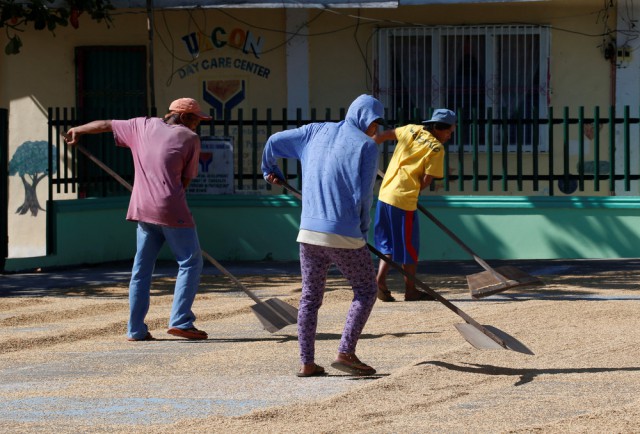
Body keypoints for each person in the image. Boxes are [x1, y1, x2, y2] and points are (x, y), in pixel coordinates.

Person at [64, 98, 211, 342]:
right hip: (171, 208)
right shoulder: (189, 138)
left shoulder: (141, 125)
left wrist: (77, 130)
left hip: (143, 208)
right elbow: (185, 181)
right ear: (183, 117)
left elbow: (105, 124)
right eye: (196, 119)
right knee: (190, 262)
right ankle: (181, 320)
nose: (197, 125)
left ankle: (135, 329)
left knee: (141, 269)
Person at [261, 94, 384, 377]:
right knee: (366, 291)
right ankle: (346, 352)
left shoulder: (315, 131)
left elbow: (273, 141)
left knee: (309, 298)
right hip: (345, 234)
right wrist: (362, 231)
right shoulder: (366, 145)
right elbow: (364, 195)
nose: (376, 129)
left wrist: (270, 169)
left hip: (308, 233)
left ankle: (307, 362)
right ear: (366, 119)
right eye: (375, 123)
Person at [374, 109, 457, 302]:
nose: (450, 136)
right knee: (409, 248)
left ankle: (380, 281)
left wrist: (370, 144)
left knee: (387, 244)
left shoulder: (411, 129)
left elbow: (385, 135)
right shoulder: (436, 148)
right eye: (449, 132)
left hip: (385, 194)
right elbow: (427, 179)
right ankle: (410, 291)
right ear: (438, 128)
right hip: (404, 200)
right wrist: (415, 192)